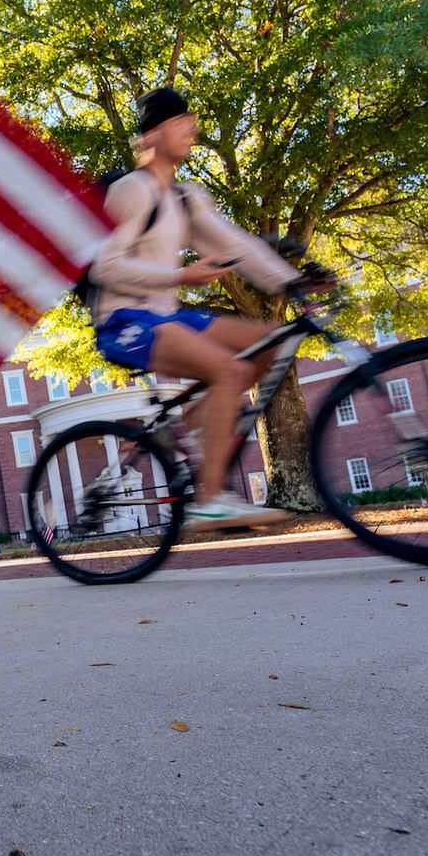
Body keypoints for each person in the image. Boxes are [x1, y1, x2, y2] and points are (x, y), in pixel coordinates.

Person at [88, 86, 318, 529]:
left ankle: (178, 432)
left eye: (192, 122)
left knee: (270, 345)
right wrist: (180, 277)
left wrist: (293, 283)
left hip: (166, 316)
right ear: (152, 134)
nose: (192, 130)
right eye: (181, 123)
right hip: (123, 321)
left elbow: (238, 247)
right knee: (229, 371)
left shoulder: (185, 198)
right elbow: (106, 267)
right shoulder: (132, 191)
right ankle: (209, 499)